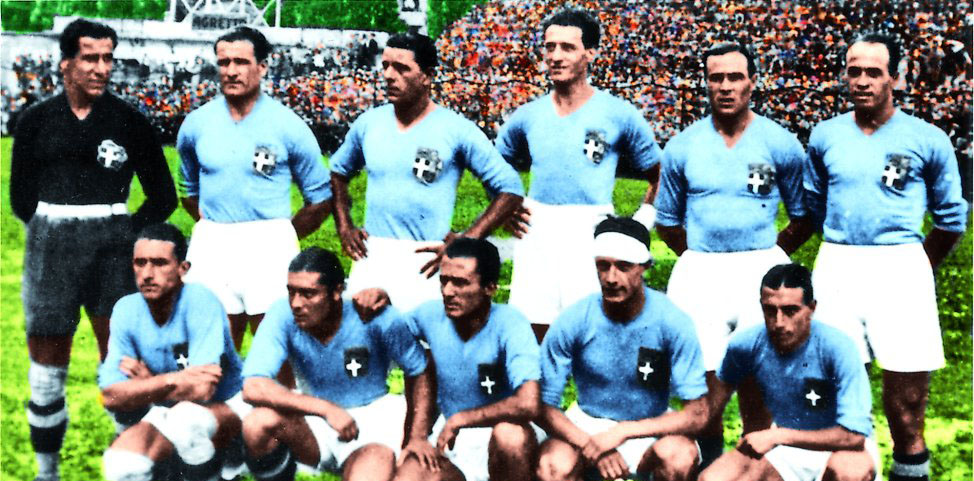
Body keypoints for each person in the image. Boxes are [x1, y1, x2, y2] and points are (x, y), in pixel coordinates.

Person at [9, 18, 177, 481]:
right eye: (90, 58)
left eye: (108, 58)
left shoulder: (130, 120)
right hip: (52, 252)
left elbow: (163, 196)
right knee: (47, 368)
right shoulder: (35, 120)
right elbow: (20, 198)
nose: (102, 68)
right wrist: (55, 227)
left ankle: (134, 469)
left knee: (120, 360)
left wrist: (123, 233)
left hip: (112, 255)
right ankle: (47, 473)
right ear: (66, 63)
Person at [803, 33, 968, 481]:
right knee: (836, 399)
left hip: (901, 268)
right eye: (854, 71)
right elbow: (815, 206)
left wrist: (914, 264)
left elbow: (951, 218)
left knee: (907, 408)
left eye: (873, 72)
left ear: (894, 77)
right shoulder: (825, 135)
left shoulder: (926, 138)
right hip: (838, 266)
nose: (862, 81)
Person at [653, 42, 813, 465]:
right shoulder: (683, 145)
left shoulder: (780, 142)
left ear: (752, 82)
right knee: (703, 388)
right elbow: (667, 221)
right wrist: (701, 255)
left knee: (758, 380)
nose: (725, 86)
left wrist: (771, 257)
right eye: (716, 78)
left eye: (735, 77)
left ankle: (751, 468)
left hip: (759, 272)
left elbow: (803, 216)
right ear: (706, 83)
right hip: (700, 274)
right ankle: (707, 466)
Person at [495, 8, 663, 342]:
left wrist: (640, 223)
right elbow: (494, 166)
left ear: (591, 53)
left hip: (591, 229)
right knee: (534, 330)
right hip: (536, 228)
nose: (555, 56)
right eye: (550, 47)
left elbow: (661, 174)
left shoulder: (617, 113)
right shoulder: (528, 115)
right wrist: (505, 209)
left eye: (567, 47)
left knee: (591, 332)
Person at [330, 31, 523, 313]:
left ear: (427, 76)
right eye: (386, 66)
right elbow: (338, 172)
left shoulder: (456, 130)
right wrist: (344, 225)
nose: (389, 76)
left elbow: (510, 188)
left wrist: (469, 238)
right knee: (362, 338)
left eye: (402, 68)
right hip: (373, 253)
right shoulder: (369, 124)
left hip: (427, 259)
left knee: (422, 340)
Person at [177, 26, 332, 349]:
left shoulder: (288, 125)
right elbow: (188, 191)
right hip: (213, 242)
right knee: (210, 348)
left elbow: (320, 199)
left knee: (275, 348)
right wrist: (217, 226)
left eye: (241, 62)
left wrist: (279, 233)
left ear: (262, 67)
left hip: (268, 244)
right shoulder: (197, 124)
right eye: (224, 62)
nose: (231, 71)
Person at [536, 216, 708, 481]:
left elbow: (697, 413)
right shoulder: (575, 319)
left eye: (624, 267)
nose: (611, 278)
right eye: (603, 266)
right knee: (553, 466)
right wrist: (590, 443)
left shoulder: (672, 321)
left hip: (649, 425)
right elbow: (541, 403)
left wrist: (623, 431)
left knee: (679, 457)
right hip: (587, 424)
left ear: (645, 267)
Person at [239, 247, 432, 481]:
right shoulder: (282, 313)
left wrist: (417, 436)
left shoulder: (373, 315)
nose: (296, 303)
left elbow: (419, 370)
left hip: (371, 423)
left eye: (308, 294)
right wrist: (326, 409)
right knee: (257, 423)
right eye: (292, 292)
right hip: (315, 420)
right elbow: (253, 387)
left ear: (337, 291)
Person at [699, 263, 878, 481]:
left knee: (849, 471)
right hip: (787, 449)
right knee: (713, 478)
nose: (779, 322)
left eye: (790, 311)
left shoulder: (838, 347)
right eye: (770, 310)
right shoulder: (745, 344)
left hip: (842, 448)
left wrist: (777, 436)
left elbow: (854, 436)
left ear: (811, 308)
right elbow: (707, 410)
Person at [99, 223, 247, 481]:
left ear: (183, 268)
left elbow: (202, 390)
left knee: (186, 422)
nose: (147, 274)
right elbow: (111, 395)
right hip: (168, 408)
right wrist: (172, 380)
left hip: (230, 405)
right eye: (140, 263)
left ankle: (227, 462)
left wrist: (147, 384)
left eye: (160, 263)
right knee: (122, 465)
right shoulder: (126, 309)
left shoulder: (200, 301)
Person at [395, 238, 541, 481]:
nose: (448, 292)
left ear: (490, 287)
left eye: (460, 283)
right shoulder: (429, 314)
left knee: (510, 437)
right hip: (451, 436)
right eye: (444, 281)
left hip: (500, 435)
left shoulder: (511, 323)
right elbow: (384, 333)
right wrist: (378, 300)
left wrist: (462, 419)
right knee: (408, 475)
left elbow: (528, 403)